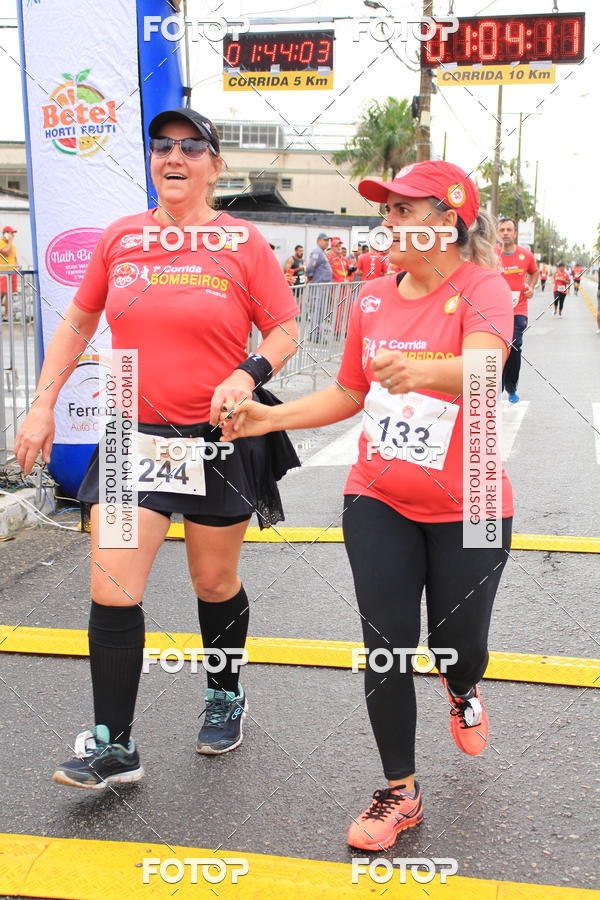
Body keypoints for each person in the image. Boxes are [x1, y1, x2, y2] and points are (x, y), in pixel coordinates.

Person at [219, 160, 514, 851]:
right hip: (378, 494)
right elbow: (351, 395)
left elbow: (485, 368)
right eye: (388, 211)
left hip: (469, 496)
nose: (390, 223)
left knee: (457, 646)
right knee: (385, 645)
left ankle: (462, 685)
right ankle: (400, 790)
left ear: (448, 222)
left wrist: (421, 371)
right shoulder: (373, 297)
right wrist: (271, 418)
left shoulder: (482, 288)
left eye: (405, 211)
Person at [14, 108, 300, 790]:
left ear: (214, 165)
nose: (174, 157)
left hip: (216, 439)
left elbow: (285, 328)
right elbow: (80, 320)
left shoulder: (241, 242)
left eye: (191, 147)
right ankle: (115, 745)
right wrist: (43, 402)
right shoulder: (122, 237)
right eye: (162, 147)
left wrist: (247, 374)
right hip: (128, 437)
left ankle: (225, 692)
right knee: (111, 586)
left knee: (213, 582)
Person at [496, 217, 538, 404]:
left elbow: (534, 271)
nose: (505, 232)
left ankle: (511, 387)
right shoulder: (491, 254)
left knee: (513, 347)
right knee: (495, 349)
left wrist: (531, 287)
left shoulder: (525, 255)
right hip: (495, 311)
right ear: (498, 233)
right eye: (502, 229)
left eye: (509, 229)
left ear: (515, 233)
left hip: (518, 310)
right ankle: (496, 389)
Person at [306, 232, 333, 342]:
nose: (327, 243)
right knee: (317, 311)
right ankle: (315, 335)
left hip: (322, 287)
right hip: (318, 286)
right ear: (319, 240)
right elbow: (310, 267)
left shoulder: (322, 252)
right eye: (325, 240)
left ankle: (317, 334)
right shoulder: (317, 252)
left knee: (320, 311)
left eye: (328, 241)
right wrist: (311, 277)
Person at [0, 225, 19, 321]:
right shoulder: (1, 243)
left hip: (12, 272)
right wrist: (10, 241)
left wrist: (17, 266)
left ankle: (7, 314)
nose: (13, 236)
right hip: (3, 273)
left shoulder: (13, 246)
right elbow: (6, 252)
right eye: (11, 233)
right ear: (6, 234)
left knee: (8, 293)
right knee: (2, 293)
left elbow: (15, 258)